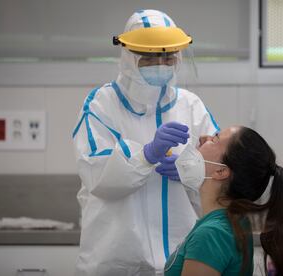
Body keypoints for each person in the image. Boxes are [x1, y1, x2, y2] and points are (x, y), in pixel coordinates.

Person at [72, 9, 219, 276]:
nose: (161, 63)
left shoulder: (191, 106)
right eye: (150, 56)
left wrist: (193, 171)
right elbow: (97, 174)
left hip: (181, 258)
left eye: (168, 56)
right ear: (129, 56)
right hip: (115, 260)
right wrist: (146, 155)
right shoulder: (101, 105)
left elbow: (219, 170)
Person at [164, 126, 283, 276]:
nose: (202, 138)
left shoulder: (211, 234)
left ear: (220, 171)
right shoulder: (234, 222)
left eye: (214, 139)